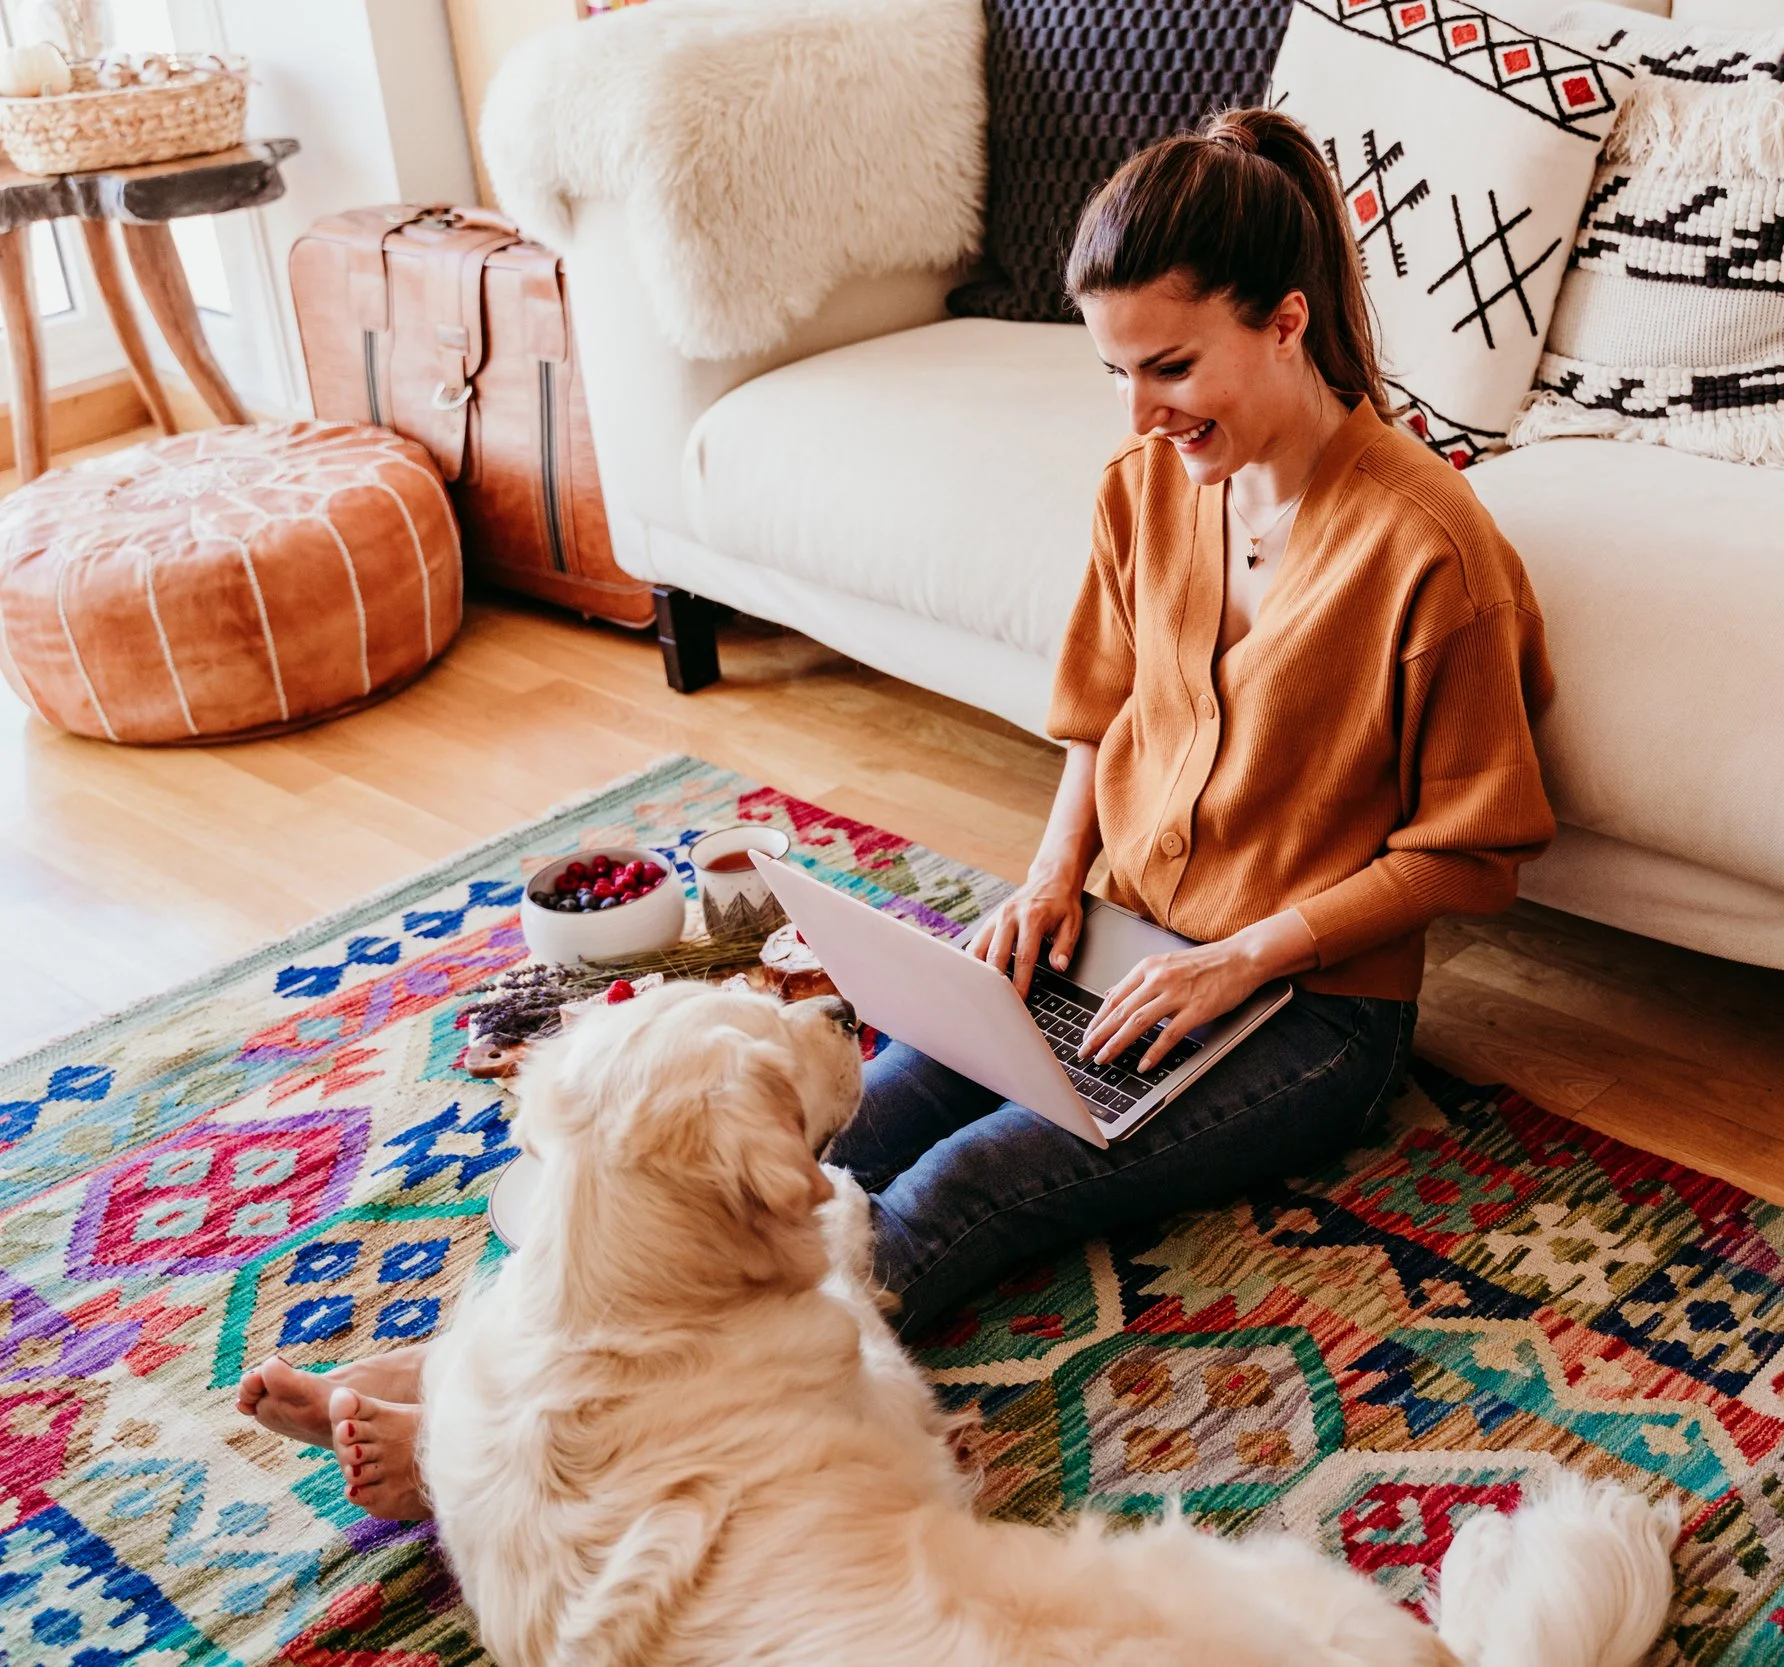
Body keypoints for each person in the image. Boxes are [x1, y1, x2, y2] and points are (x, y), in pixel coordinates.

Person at [237, 104, 1556, 1520]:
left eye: (1171, 368)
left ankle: (555, 1451)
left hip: (1309, 1012)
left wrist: (1244, 955)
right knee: (833, 1140)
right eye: (1116, 371)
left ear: (1288, 320)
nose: (1140, 413)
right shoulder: (1147, 485)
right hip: (1114, 951)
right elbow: (1106, 713)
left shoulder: (1433, 548)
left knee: (966, 1187)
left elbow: (1472, 849)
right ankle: (477, 1365)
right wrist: (1053, 877)